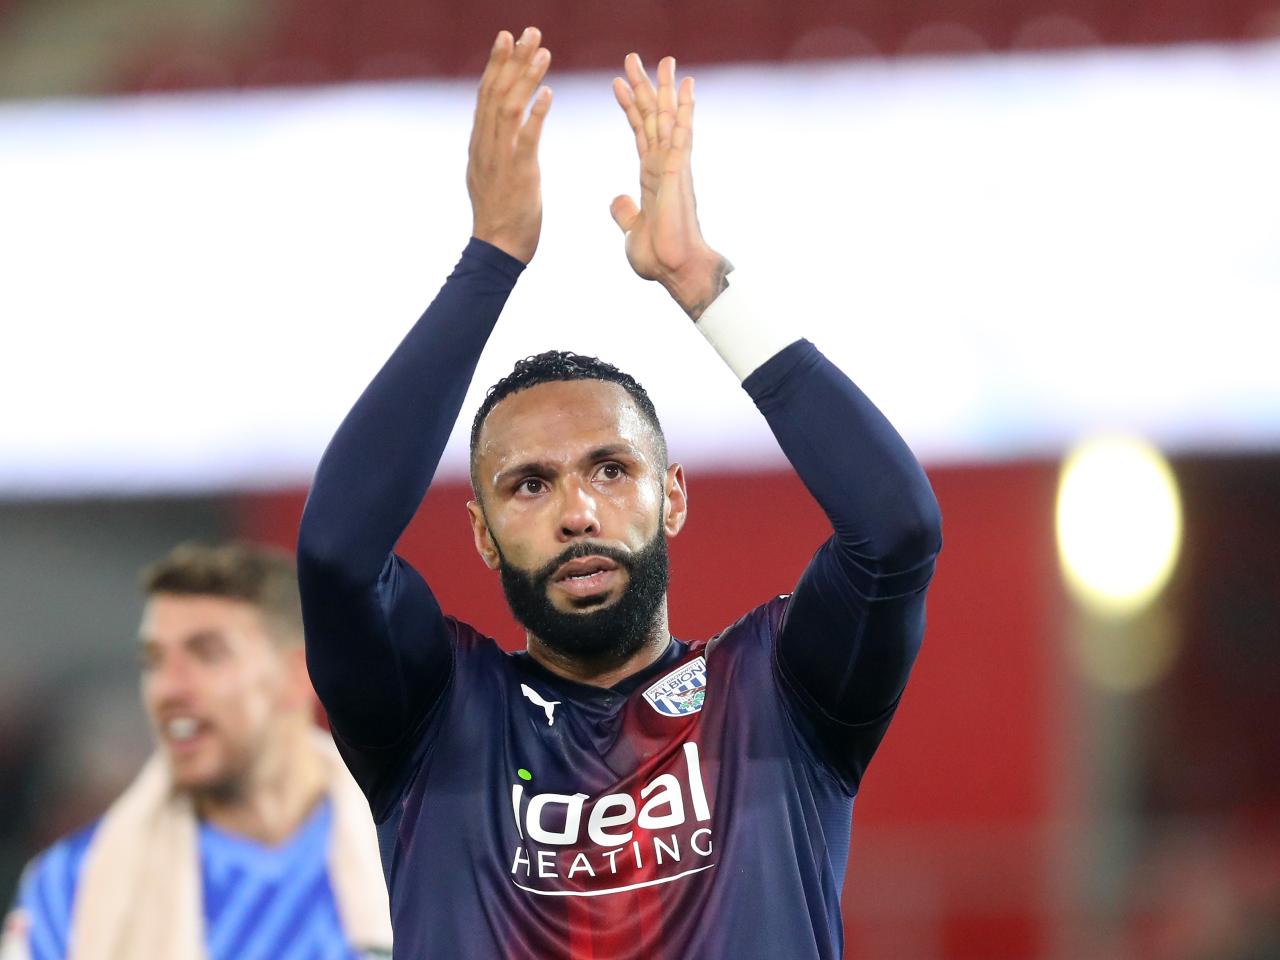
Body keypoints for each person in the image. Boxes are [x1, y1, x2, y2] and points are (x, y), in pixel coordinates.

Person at [297, 26, 942, 960]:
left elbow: (896, 530)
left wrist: (703, 284)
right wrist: (489, 259)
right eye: (530, 484)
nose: (578, 512)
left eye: (611, 469)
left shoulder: (779, 690)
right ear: (481, 532)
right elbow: (336, 555)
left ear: (671, 496)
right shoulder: (436, 714)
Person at [1, 543, 392, 960]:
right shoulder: (69, 890)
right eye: (154, 661)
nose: (167, 688)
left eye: (207, 654)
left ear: (300, 675)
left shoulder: (418, 860)